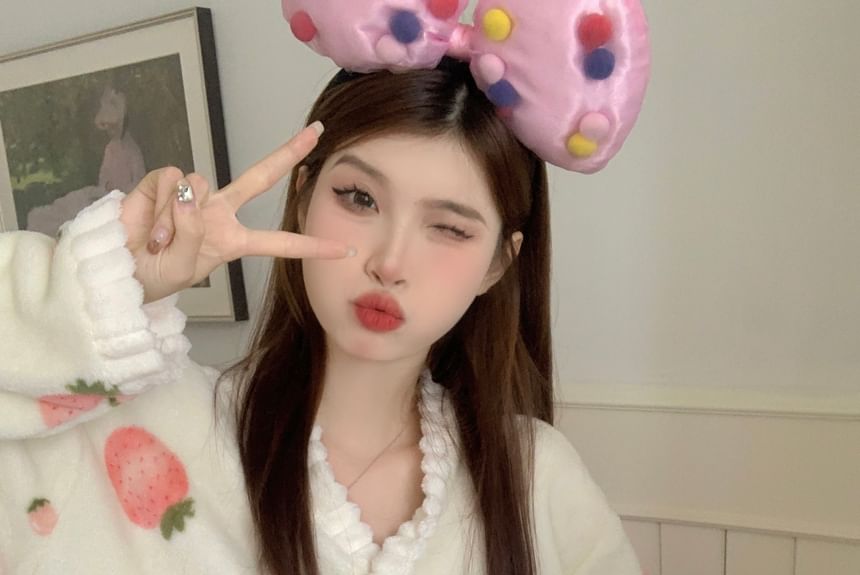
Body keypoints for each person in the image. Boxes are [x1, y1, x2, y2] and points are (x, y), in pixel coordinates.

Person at [0, 2, 651, 574]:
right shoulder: (151, 424)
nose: (389, 262)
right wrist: (101, 285)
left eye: (449, 228)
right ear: (305, 192)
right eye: (360, 198)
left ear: (497, 265)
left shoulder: (538, 478)